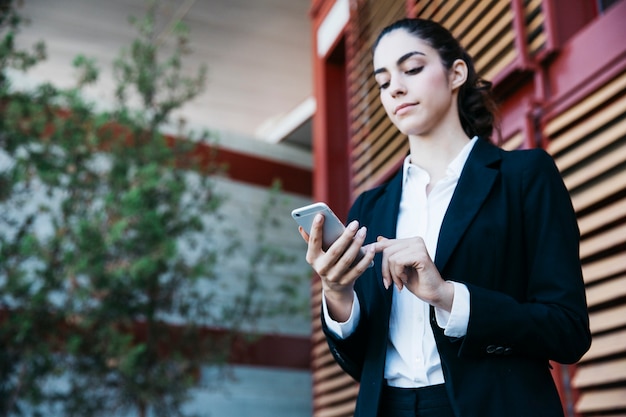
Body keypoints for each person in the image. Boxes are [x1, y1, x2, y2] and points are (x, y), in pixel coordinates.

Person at [298, 18, 591, 417]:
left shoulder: (524, 177)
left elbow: (568, 329)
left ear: (456, 73)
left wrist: (449, 297)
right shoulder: (369, 207)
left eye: (412, 68)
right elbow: (359, 364)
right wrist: (337, 294)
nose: (395, 88)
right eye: (383, 82)